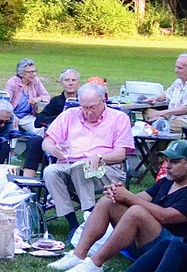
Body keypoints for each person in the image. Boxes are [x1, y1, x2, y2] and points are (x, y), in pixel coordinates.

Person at [49, 139, 187, 272]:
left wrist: (128, 197)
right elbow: (141, 198)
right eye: (166, 160)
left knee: (137, 212)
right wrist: (117, 193)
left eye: (174, 161)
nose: (167, 166)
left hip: (173, 249)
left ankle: (95, 263)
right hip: (151, 239)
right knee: (109, 202)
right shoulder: (167, 182)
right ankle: (78, 255)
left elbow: (165, 216)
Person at [40, 82, 134, 231]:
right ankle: (74, 225)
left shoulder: (119, 118)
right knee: (50, 171)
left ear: (103, 101)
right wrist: (52, 148)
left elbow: (120, 154)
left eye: (93, 107)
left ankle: (89, 220)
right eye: (84, 107)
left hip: (106, 169)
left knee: (81, 168)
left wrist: (99, 157)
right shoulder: (69, 115)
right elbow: (46, 142)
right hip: (68, 165)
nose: (88, 112)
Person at [21, 69, 81, 176]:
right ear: (61, 83)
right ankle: (26, 183)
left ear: (78, 83)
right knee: (35, 141)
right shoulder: (56, 101)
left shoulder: (84, 101)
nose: (70, 83)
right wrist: (61, 118)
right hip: (56, 140)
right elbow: (38, 121)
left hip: (79, 140)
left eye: (73, 80)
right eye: (67, 80)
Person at [145, 53, 187, 133]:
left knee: (160, 127)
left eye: (180, 68)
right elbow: (167, 94)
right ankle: (153, 128)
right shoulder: (179, 82)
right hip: (173, 117)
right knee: (147, 112)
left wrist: (162, 113)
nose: (176, 70)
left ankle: (154, 128)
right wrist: (156, 98)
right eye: (176, 67)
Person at [5, 59, 50, 133]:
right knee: (13, 132)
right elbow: (6, 101)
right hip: (12, 114)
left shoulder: (36, 81)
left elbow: (47, 96)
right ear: (21, 74)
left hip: (27, 117)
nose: (34, 74)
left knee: (40, 129)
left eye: (34, 71)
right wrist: (12, 116)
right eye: (30, 72)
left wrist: (38, 98)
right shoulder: (12, 81)